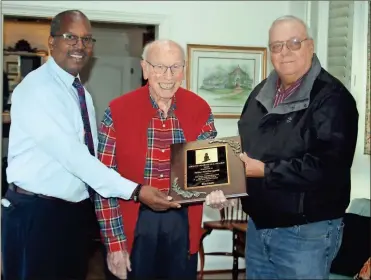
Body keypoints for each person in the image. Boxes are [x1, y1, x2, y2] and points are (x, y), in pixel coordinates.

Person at [1, 10, 180, 280]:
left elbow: (94, 155)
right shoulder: (37, 89)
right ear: (52, 42)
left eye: (87, 39)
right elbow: (76, 158)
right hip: (36, 216)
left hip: (72, 215)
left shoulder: (79, 91)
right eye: (70, 37)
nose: (80, 46)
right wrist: (136, 190)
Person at [95, 39, 229, 280]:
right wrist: (115, 244)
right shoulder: (116, 111)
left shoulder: (201, 109)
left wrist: (216, 191)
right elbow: (103, 181)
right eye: (159, 67)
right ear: (145, 68)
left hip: (183, 221)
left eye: (176, 67)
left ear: (183, 70)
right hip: (135, 222)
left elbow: (207, 173)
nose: (168, 75)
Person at [238, 15, 359, 279]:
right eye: (277, 45)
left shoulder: (333, 98)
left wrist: (266, 171)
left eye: (294, 43)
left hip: (306, 233)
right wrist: (228, 182)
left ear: (310, 46)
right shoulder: (259, 95)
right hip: (258, 227)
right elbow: (245, 150)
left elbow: (328, 167)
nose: (285, 52)